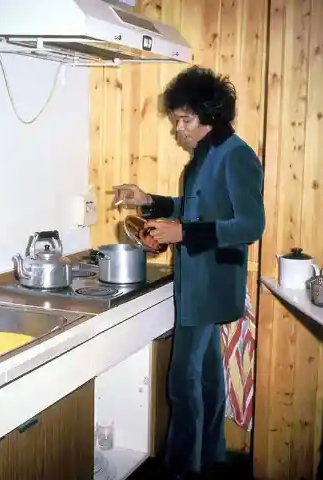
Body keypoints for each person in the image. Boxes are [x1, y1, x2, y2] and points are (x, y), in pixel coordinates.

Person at [112, 66, 265, 480]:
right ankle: (211, 456)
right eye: (176, 119)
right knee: (208, 374)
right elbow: (195, 208)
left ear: (209, 116)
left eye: (185, 119)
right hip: (199, 278)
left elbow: (251, 226)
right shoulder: (205, 157)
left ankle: (181, 469)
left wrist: (183, 232)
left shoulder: (238, 156)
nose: (178, 128)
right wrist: (150, 202)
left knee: (183, 380)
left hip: (212, 281)